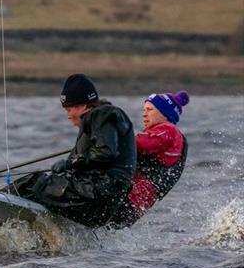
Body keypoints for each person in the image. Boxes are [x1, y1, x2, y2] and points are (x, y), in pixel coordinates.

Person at [16, 74, 137, 228]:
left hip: (99, 192)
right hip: (103, 202)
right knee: (40, 183)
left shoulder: (101, 114)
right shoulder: (98, 123)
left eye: (69, 109)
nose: (68, 116)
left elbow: (105, 152)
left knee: (33, 183)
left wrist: (69, 163)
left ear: (84, 106)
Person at [110, 91, 189, 227]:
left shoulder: (169, 130)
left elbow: (140, 144)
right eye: (144, 110)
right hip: (134, 206)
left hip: (129, 200)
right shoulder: (165, 133)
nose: (144, 114)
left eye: (150, 109)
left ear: (165, 114)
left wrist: (109, 140)